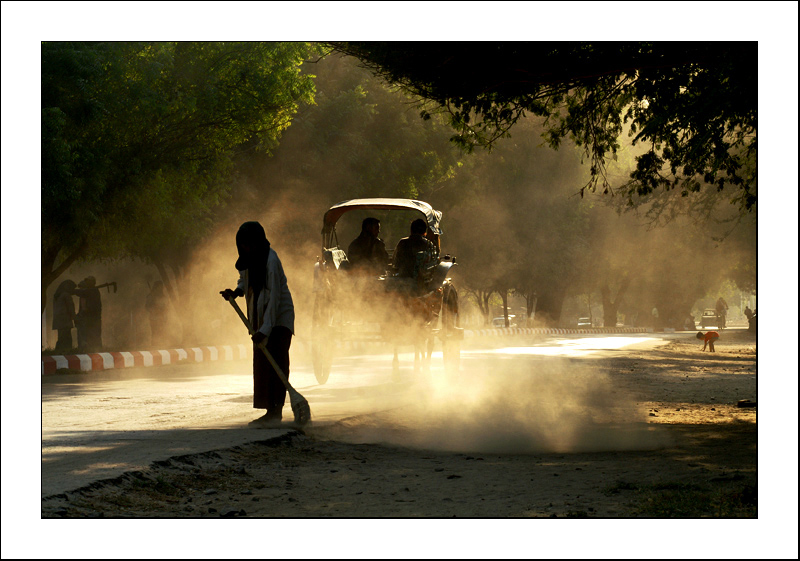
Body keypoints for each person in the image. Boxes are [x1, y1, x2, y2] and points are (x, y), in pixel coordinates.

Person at [220, 221, 295, 426]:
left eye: (250, 244)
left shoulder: (271, 261)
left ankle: (276, 411)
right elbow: (245, 279)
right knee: (263, 363)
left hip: (279, 318)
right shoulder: (247, 259)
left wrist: (266, 329)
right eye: (243, 244)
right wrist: (237, 291)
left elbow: (274, 300)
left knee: (277, 362)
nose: (247, 248)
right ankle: (268, 410)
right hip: (261, 318)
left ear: (259, 242)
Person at [73, 276, 103, 351]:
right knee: (90, 334)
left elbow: (81, 293)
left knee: (94, 334)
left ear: (93, 282)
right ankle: (90, 349)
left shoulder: (93, 291)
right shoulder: (89, 292)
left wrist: (72, 291)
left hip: (94, 317)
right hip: (90, 317)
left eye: (88, 281)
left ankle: (96, 349)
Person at [52, 279, 77, 352]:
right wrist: (75, 318)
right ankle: (67, 352)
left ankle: (58, 352)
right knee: (67, 338)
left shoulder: (57, 295)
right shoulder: (66, 295)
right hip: (65, 320)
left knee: (61, 338)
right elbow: (71, 308)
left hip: (58, 320)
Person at [146, 281, 170, 348]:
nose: (160, 288)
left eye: (161, 287)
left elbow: (167, 307)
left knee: (162, 332)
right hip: (154, 318)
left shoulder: (164, 297)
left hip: (161, 318)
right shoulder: (151, 296)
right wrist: (154, 309)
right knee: (155, 332)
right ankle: (155, 346)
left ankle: (162, 345)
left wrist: (163, 312)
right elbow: (147, 306)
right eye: (158, 287)